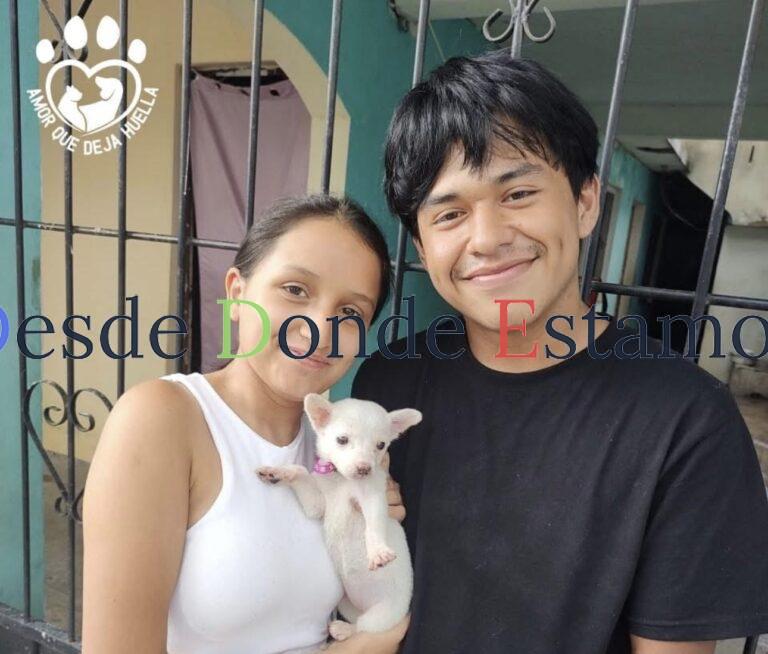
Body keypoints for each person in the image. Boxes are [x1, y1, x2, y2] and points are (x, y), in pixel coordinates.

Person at [352, 50, 768, 654]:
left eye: (518, 193)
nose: (487, 239)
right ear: (421, 243)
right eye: (450, 213)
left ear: (585, 202)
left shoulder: (686, 421)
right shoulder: (388, 384)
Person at [81, 195, 408, 654]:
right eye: (295, 289)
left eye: (350, 312)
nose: (319, 328)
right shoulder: (164, 420)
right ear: (237, 294)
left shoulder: (338, 447)